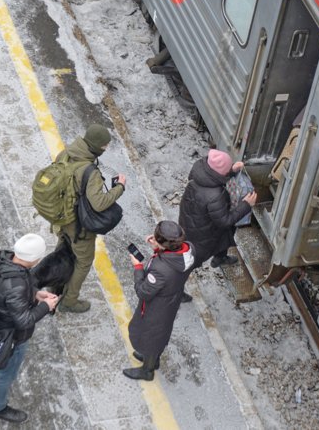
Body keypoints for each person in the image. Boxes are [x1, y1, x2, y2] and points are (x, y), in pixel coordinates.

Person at [0, 233, 59, 423]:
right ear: (33, 259)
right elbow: (24, 320)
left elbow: (13, 295)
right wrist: (46, 306)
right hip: (13, 336)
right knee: (7, 373)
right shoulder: (17, 284)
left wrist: (36, 294)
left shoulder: (5, 264)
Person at [54, 124, 125, 313]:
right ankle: (69, 301)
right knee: (84, 261)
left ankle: (55, 287)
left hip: (60, 214)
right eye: (104, 146)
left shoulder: (66, 153)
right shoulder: (90, 171)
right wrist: (120, 188)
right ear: (96, 146)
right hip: (77, 224)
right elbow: (99, 204)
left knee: (62, 248)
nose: (105, 149)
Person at [178, 149, 256, 299]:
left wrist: (232, 170)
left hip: (192, 223)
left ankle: (220, 258)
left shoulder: (200, 173)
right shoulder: (215, 195)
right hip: (200, 238)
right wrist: (246, 205)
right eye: (227, 170)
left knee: (225, 235)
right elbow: (225, 221)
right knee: (187, 265)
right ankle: (176, 292)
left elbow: (217, 176)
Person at [124, 221, 194, 381]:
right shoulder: (188, 249)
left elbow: (143, 292)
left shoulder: (161, 270)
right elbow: (171, 260)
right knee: (158, 334)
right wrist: (158, 247)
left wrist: (138, 268)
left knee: (151, 337)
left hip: (157, 308)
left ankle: (148, 370)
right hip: (172, 300)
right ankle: (152, 359)